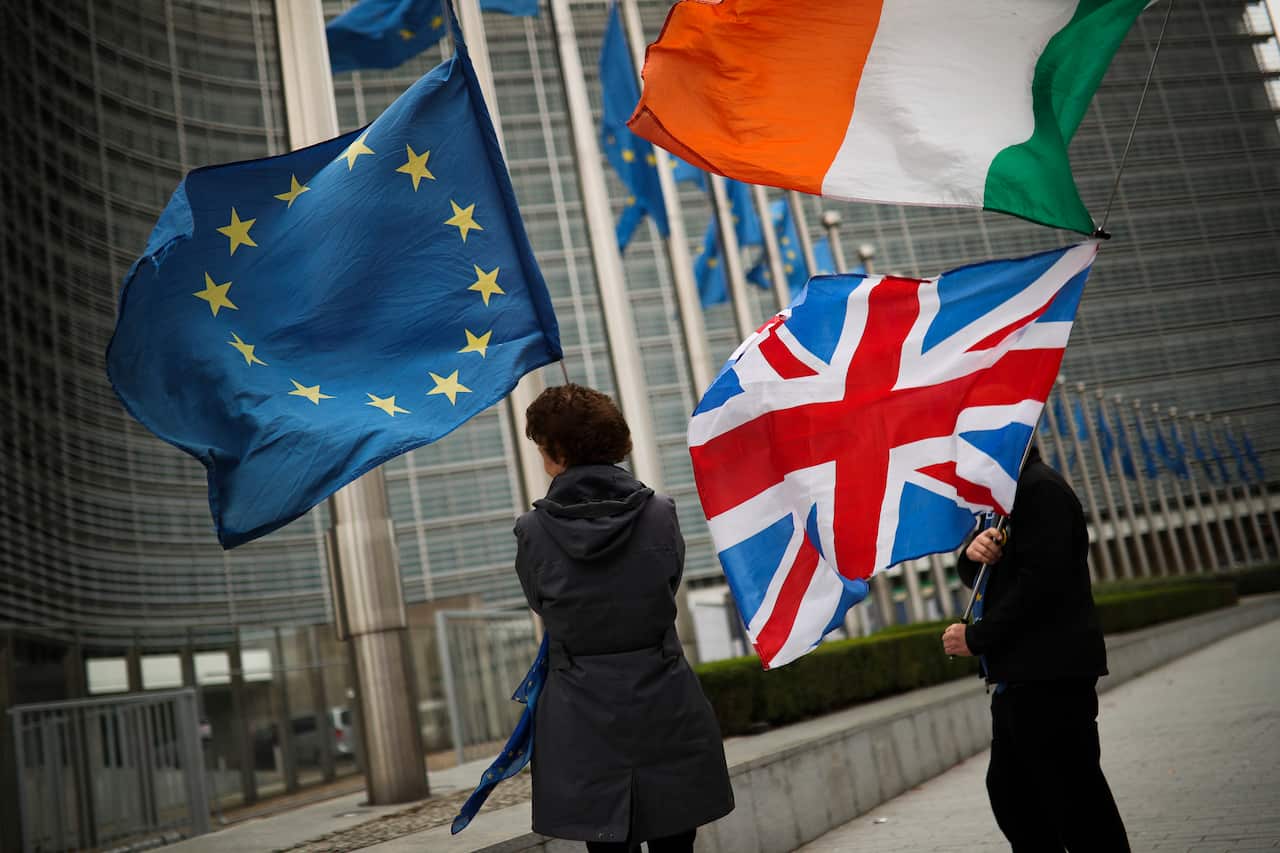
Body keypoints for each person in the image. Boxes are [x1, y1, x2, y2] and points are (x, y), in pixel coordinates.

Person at [515, 383, 734, 852]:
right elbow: (666, 583)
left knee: (606, 843)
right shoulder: (661, 513)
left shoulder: (532, 531)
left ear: (555, 451)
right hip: (665, 701)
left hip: (581, 709)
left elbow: (541, 603)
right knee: (677, 841)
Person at [941, 444, 1129, 852]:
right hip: (1021, 679)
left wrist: (976, 637)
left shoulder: (1040, 491)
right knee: (1014, 795)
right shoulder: (1006, 500)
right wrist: (972, 555)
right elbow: (980, 571)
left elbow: (1041, 585)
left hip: (1050, 676)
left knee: (1076, 804)